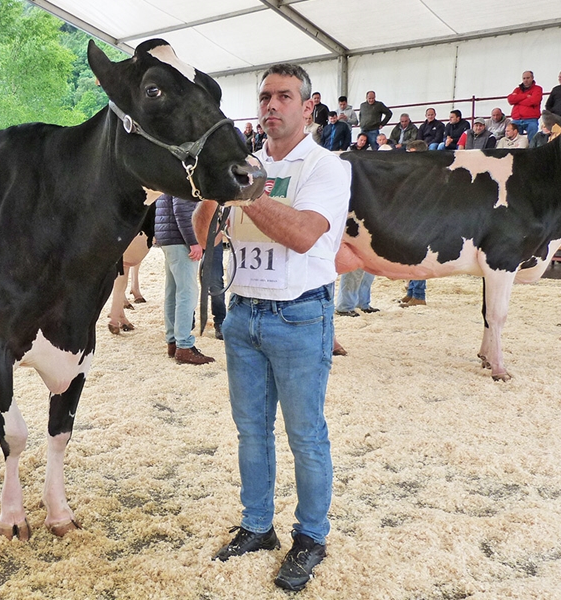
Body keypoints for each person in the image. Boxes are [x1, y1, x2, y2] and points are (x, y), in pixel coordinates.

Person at [194, 62, 349, 593]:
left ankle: (311, 536)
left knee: (305, 433)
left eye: (284, 96)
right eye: (264, 97)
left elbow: (305, 235)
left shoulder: (325, 167)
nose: (271, 106)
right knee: (251, 431)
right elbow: (204, 227)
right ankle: (258, 526)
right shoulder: (247, 162)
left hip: (300, 312)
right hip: (243, 311)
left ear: (308, 107)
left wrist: (249, 191)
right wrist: (218, 188)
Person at [154, 193, 214, 365]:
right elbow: (182, 210)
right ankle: (184, 346)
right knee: (187, 292)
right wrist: (194, 241)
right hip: (181, 240)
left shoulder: (168, 172)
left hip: (168, 236)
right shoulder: (185, 173)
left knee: (173, 292)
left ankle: (173, 341)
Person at [401, 140, 429, 306]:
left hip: (422, 216)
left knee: (418, 255)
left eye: (411, 152)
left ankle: (419, 295)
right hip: (412, 215)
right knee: (410, 255)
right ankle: (411, 292)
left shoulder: (425, 171)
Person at [507, 70, 543, 140]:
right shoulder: (517, 89)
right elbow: (510, 100)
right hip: (517, 119)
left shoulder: (538, 89)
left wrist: (517, 100)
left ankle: (531, 150)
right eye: (524, 78)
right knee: (513, 139)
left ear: (532, 78)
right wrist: (526, 96)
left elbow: (534, 101)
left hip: (531, 119)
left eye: (528, 78)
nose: (525, 80)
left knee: (532, 138)